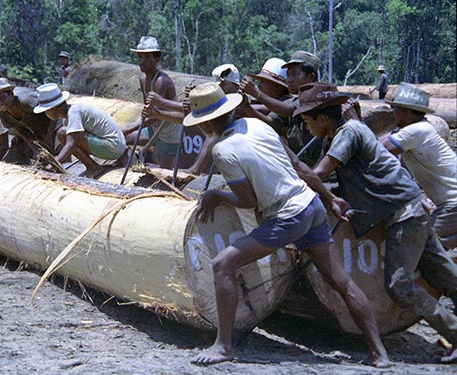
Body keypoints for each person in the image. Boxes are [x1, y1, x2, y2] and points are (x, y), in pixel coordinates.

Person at [185, 82, 390, 368]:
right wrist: (328, 197)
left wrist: (217, 194)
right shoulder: (257, 126)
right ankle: (379, 353)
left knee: (222, 264)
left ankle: (223, 345)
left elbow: (248, 200)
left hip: (289, 217)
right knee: (341, 282)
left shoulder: (222, 150)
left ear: (204, 123)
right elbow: (298, 166)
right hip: (312, 206)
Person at [295, 82, 457, 364]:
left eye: (307, 120)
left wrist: (291, 171)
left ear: (322, 118)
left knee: (398, 284)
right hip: (409, 208)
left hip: (403, 213)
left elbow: (319, 173)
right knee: (444, 275)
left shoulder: (348, 132)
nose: (306, 127)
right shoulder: (342, 133)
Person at [381, 82, 457, 250]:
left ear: (404, 111)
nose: (393, 113)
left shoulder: (416, 130)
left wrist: (356, 124)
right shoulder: (420, 131)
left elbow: (379, 150)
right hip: (451, 204)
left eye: (395, 109)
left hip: (453, 204)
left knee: (421, 249)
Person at [240, 51, 323, 167]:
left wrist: (256, 93)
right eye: (288, 75)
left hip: (319, 166)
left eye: (295, 74)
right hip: (304, 163)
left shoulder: (316, 95)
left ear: (311, 77)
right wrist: (246, 107)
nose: (289, 79)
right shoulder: (294, 100)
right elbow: (271, 122)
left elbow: (288, 110)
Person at [33, 83, 127, 178]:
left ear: (52, 109)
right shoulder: (69, 116)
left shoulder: (74, 112)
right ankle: (91, 165)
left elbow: (70, 145)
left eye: (46, 111)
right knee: (66, 134)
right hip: (116, 147)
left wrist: (52, 166)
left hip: (112, 148)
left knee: (62, 133)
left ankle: (93, 167)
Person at [123, 36, 182, 169]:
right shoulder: (143, 78)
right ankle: (136, 165)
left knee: (165, 172)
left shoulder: (161, 81)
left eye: (147, 57)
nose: (142, 61)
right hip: (153, 127)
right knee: (125, 140)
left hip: (169, 130)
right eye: (140, 57)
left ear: (156, 59)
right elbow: (149, 111)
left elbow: (154, 116)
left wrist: (129, 128)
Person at [0, 78, 53, 164]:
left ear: (11, 94)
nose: (0, 103)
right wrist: (36, 151)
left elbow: (51, 113)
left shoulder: (26, 102)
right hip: (40, 134)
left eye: (2, 98)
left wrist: (49, 136)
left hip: (54, 127)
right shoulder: (4, 116)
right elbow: (25, 134)